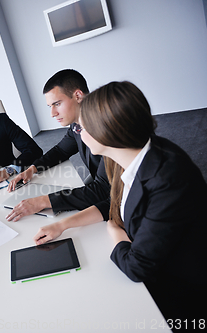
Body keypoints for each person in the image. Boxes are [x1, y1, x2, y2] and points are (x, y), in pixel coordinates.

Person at [32, 81, 207, 324]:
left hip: (180, 290)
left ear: (108, 130)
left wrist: (115, 231)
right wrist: (62, 225)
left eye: (84, 126)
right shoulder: (126, 156)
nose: (79, 133)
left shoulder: (168, 182)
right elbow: (116, 204)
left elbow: (137, 267)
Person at [6, 69, 110, 222]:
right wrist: (32, 169)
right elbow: (61, 150)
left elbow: (101, 190)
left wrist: (42, 201)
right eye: (50, 106)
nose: (52, 113)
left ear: (78, 96)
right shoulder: (77, 125)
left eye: (57, 104)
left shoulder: (107, 127)